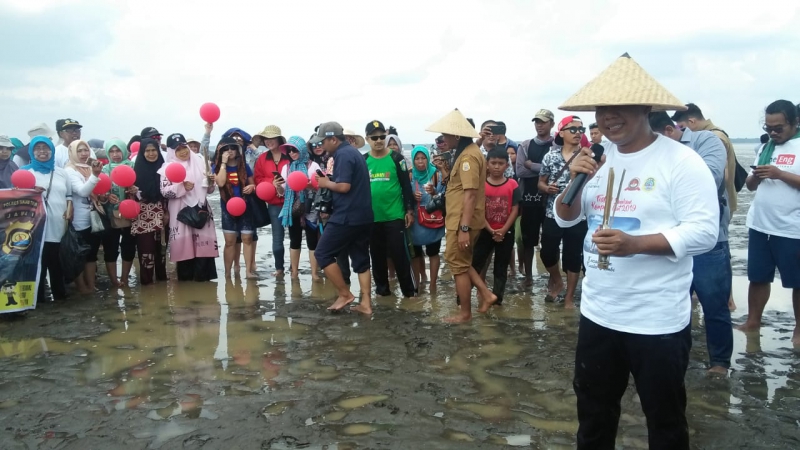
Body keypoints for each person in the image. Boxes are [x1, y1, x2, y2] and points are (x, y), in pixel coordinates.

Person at [555, 53, 719, 449]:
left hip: (656, 320)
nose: (609, 117)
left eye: (620, 108)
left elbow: (704, 233)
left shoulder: (680, 161)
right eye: (602, 110)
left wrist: (636, 244)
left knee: (664, 421)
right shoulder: (598, 159)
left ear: (646, 108)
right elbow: (566, 217)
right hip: (598, 312)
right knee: (593, 417)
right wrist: (572, 181)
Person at [649, 111, 733, 376]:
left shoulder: (706, 141)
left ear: (669, 130)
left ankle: (719, 362)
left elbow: (706, 182)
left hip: (707, 242)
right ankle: (675, 358)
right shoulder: (652, 151)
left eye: (655, 137)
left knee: (714, 304)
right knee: (671, 302)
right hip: (666, 240)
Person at [738, 99, 800, 344]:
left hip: (792, 228)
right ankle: (753, 321)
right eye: (768, 128)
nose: (773, 133)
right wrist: (756, 176)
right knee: (758, 276)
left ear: (795, 123)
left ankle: (798, 331)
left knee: (798, 282)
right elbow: (751, 187)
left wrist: (780, 174)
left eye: (778, 128)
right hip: (760, 224)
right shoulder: (765, 148)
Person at [427, 108, 497, 322]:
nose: (442, 139)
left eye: (445, 135)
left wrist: (464, 229)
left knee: (458, 265)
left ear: (457, 135)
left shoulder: (468, 158)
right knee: (460, 261)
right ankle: (486, 294)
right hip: (458, 219)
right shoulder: (468, 151)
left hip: (462, 221)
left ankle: (465, 313)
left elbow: (470, 195)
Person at [309, 122, 374, 313]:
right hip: (363, 216)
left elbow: (344, 186)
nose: (320, 146)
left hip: (347, 215)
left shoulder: (343, 155)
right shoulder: (354, 153)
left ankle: (345, 294)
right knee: (361, 260)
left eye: (323, 142)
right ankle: (366, 304)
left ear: (334, 139)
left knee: (322, 253)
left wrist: (325, 183)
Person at [539, 116, 590, 309]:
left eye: (581, 129)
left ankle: (569, 297)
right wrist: (546, 188)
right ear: (561, 133)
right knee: (547, 252)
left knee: (573, 255)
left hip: (579, 214)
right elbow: (540, 182)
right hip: (553, 213)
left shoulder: (587, 155)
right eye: (573, 129)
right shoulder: (550, 156)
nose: (578, 133)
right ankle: (556, 279)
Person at [364, 120, 417, 298]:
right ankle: (382, 292)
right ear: (367, 139)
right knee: (377, 257)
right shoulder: (363, 161)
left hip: (394, 216)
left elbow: (406, 186)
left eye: (382, 137)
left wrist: (409, 211)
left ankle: (409, 293)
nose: (378, 140)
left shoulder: (397, 159)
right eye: (374, 137)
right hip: (372, 218)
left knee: (399, 255)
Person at [159, 133, 218, 282]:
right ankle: (186, 285)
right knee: (184, 248)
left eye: (184, 147)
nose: (183, 151)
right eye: (178, 149)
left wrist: (211, 182)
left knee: (203, 247)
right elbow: (165, 191)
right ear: (172, 152)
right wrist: (182, 186)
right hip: (180, 212)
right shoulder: (167, 169)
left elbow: (209, 190)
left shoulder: (200, 163)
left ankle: (203, 283)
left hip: (201, 210)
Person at [23, 137, 73, 302]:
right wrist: (30, 190)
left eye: (46, 148)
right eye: (38, 148)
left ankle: (60, 294)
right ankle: (38, 298)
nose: (42, 151)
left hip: (58, 222)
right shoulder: (25, 172)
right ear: (32, 151)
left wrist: (70, 208)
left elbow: (68, 195)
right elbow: (17, 196)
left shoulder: (60, 172)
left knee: (57, 260)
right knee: (39, 262)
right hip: (36, 226)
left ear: (52, 150)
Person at [470, 148, 520, 306]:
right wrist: (490, 229)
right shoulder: (481, 185)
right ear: (487, 164)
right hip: (485, 231)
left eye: (501, 163)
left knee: (501, 266)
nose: (497, 167)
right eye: (493, 163)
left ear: (507, 165)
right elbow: (478, 209)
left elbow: (515, 209)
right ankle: (462, 298)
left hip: (506, 231)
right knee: (476, 264)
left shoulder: (512, 184)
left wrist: (503, 230)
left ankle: (497, 299)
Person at [671, 103, 739, 215]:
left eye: (681, 127)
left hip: (716, 202)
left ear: (692, 121)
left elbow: (723, 175)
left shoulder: (712, 138)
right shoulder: (716, 132)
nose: (679, 131)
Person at [515, 109, 554, 286]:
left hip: (550, 202)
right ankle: (529, 276)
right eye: (537, 122)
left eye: (543, 122)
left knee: (551, 242)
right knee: (528, 241)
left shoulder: (557, 146)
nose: (539, 125)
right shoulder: (525, 145)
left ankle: (554, 277)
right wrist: (544, 169)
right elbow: (520, 171)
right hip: (529, 200)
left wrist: (533, 165)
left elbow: (558, 171)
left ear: (551, 124)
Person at [276, 136, 319, 280]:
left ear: (301, 149)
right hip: (292, 208)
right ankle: (294, 272)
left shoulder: (313, 166)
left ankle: (314, 273)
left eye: (294, 150)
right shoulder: (286, 167)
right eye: (289, 150)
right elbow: (282, 192)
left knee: (312, 241)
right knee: (294, 240)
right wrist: (277, 185)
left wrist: (309, 186)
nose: (292, 153)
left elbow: (320, 186)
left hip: (310, 208)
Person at [213, 136, 257, 279]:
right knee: (230, 241)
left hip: (246, 206)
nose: (230, 151)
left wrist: (252, 187)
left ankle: (248, 272)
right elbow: (220, 182)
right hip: (227, 207)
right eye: (226, 149)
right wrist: (224, 163)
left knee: (247, 238)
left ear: (238, 150)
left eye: (233, 148)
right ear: (221, 151)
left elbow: (253, 184)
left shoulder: (244, 165)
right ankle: (227, 273)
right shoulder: (218, 166)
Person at [64, 140, 103, 294]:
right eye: (79, 151)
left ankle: (91, 284)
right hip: (79, 219)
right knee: (79, 254)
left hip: (94, 217)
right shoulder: (69, 170)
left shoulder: (90, 168)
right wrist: (94, 176)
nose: (83, 154)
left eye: (85, 150)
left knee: (92, 254)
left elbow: (99, 189)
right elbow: (82, 191)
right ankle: (81, 286)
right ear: (72, 152)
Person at [253, 125, 290, 277]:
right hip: (274, 203)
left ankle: (296, 269)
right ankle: (279, 268)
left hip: (292, 201)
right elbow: (257, 178)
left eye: (272, 138)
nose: (269, 142)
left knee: (296, 237)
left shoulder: (289, 155)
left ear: (279, 139)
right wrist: (272, 183)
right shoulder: (262, 158)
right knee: (277, 237)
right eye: (266, 139)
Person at [100, 139, 138, 287]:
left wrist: (135, 190)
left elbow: (140, 188)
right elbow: (99, 190)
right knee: (111, 247)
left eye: (118, 151)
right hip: (110, 214)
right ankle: (114, 280)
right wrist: (107, 195)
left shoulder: (133, 166)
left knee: (128, 246)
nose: (115, 154)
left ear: (124, 151)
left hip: (130, 213)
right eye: (112, 151)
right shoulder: (105, 169)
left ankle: (125, 277)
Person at [131, 138, 168, 285]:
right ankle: (147, 284)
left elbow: (168, 194)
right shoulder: (136, 171)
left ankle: (162, 282)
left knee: (162, 250)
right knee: (146, 250)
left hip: (162, 213)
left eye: (154, 150)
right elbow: (131, 197)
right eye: (147, 151)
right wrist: (134, 191)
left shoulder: (164, 169)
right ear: (142, 152)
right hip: (143, 215)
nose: (151, 154)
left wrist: (167, 213)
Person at [410, 145, 446, 292]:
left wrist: (434, 192)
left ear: (428, 158)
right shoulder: (409, 175)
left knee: (433, 252)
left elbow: (444, 195)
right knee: (416, 253)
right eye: (417, 158)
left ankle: (433, 285)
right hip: (415, 220)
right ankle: (416, 285)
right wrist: (412, 196)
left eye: (423, 158)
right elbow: (403, 195)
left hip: (434, 218)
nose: (420, 162)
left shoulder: (436, 174)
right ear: (412, 160)